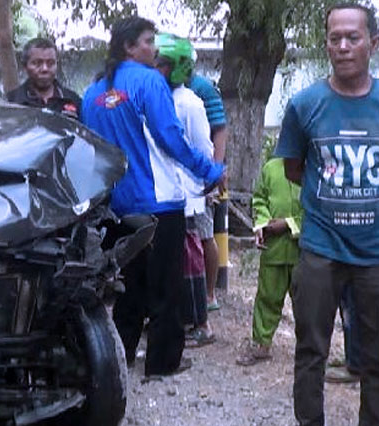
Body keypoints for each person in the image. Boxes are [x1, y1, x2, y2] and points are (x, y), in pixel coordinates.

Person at [81, 17, 224, 377]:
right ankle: (161, 364)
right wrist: (209, 171)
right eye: (148, 42)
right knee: (166, 288)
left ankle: (122, 355)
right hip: (158, 202)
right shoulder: (150, 81)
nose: (155, 49)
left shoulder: (93, 91)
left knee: (127, 284)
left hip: (114, 204)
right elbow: (170, 137)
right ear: (130, 46)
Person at [275, 3, 379, 425]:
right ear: (326, 44)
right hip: (320, 250)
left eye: (353, 37)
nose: (343, 46)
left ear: (373, 44)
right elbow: (294, 169)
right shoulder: (304, 104)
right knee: (311, 353)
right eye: (334, 38)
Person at [153, 32, 215, 347]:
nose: (156, 68)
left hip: (186, 193)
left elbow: (203, 149)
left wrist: (203, 184)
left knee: (191, 259)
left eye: (162, 63)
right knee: (167, 262)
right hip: (160, 196)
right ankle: (174, 321)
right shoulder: (152, 97)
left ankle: (200, 323)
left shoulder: (190, 102)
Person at [235, 157, 302, 366]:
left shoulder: (312, 170)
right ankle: (261, 343)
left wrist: (289, 224)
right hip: (273, 250)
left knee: (306, 302)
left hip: (303, 252)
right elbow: (260, 200)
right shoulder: (271, 168)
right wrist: (262, 224)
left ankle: (309, 348)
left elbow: (316, 209)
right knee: (267, 297)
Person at [187, 73, 227, 311]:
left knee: (205, 233)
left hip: (201, 174)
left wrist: (216, 169)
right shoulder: (158, 83)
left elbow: (220, 129)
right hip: (177, 174)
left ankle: (210, 294)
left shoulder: (202, 88)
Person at [6, 38, 81, 119]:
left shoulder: (73, 100)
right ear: (25, 66)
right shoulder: (12, 102)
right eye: (37, 63)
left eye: (50, 63)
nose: (45, 69)